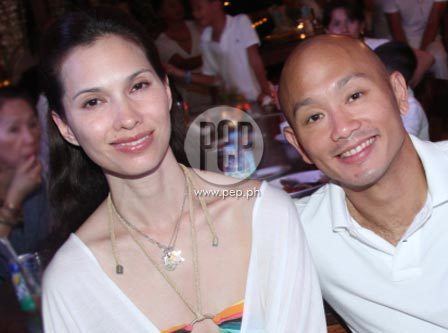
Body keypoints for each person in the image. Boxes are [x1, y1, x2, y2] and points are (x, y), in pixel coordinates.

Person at [40, 8, 326, 332]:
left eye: (138, 86)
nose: (127, 118)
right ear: (65, 127)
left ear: (165, 90)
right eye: (93, 102)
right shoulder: (71, 283)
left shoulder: (264, 213)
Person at [279, 35, 448, 332]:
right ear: (299, 146)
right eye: (314, 117)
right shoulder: (298, 233)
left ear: (398, 92)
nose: (342, 128)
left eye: (355, 96)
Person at [168, 0, 273, 103]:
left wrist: (265, 91)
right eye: (193, 10)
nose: (195, 14)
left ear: (216, 4)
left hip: (259, 97)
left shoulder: (240, 23)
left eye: (199, 8)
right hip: (237, 104)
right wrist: (178, 73)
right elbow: (215, 79)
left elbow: (255, 60)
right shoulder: (206, 39)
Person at [324, 0, 435, 87]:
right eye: (337, 24)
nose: (344, 29)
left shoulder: (375, 46)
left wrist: (403, 85)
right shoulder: (323, 57)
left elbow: (426, 58)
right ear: (327, 30)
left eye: (351, 21)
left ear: (362, 25)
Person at [0, 86, 49, 283]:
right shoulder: (28, 183)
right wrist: (14, 200)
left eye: (32, 124)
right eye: (14, 130)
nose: (30, 138)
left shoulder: (38, 178)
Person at [154, 0, 212, 114]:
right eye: (172, 5)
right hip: (190, 99)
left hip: (215, 90)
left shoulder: (198, 26)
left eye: (179, 3)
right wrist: (212, 55)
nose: (178, 8)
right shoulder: (161, 42)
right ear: (161, 13)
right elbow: (184, 64)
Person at [374, 41, 429, 140]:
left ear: (397, 82)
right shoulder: (383, 99)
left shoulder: (411, 109)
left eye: (377, 77)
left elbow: (401, 144)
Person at [383, 0, 448, 80]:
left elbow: (433, 24)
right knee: (400, 65)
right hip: (404, 39)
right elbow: (396, 30)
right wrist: (409, 56)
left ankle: (446, 90)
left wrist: (421, 56)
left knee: (440, 57)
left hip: (431, 38)